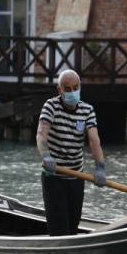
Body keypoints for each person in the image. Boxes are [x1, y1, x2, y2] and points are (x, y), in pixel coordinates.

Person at [36, 69, 106, 236]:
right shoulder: (51, 106)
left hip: (77, 177)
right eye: (67, 89)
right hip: (54, 177)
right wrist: (46, 156)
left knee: (72, 228)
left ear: (80, 86)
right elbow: (41, 135)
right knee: (59, 231)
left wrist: (100, 167)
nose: (72, 92)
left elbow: (94, 140)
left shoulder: (87, 110)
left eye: (75, 87)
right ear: (60, 90)